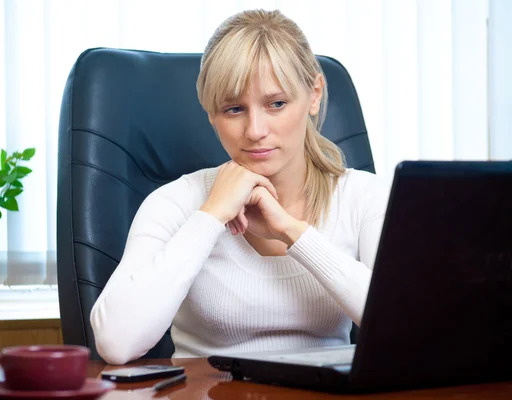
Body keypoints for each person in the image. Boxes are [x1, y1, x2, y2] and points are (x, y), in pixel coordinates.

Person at [90, 9, 390, 365]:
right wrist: (211, 216)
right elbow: (116, 342)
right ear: (210, 112)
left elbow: (405, 333)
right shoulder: (176, 202)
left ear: (313, 94)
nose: (255, 130)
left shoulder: (365, 197)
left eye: (276, 104)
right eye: (234, 109)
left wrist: (293, 233)